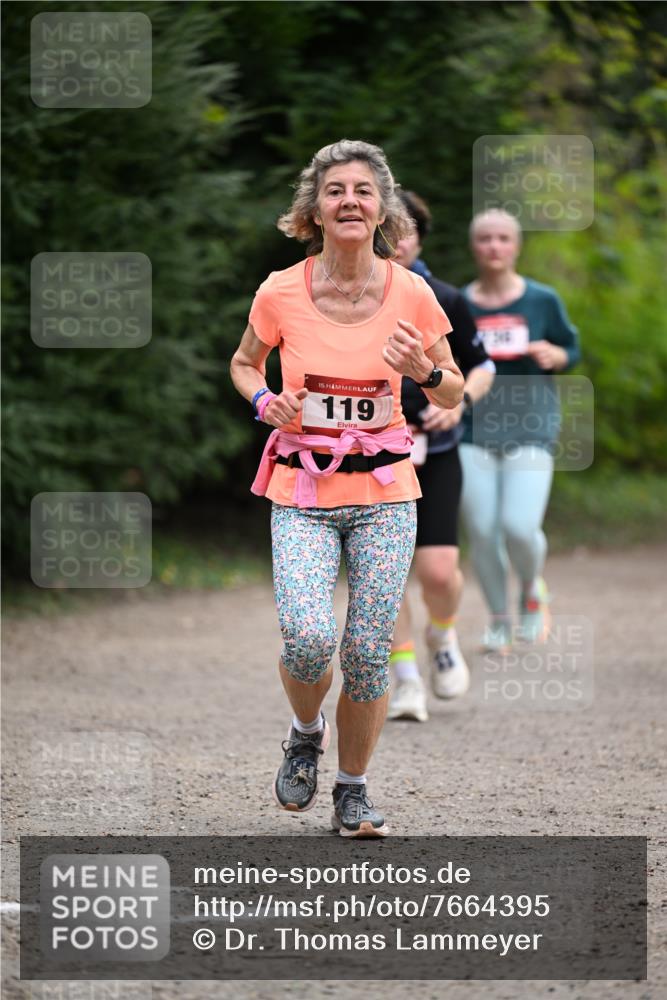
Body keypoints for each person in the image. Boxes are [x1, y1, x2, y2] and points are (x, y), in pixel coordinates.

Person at [230, 140, 464, 837]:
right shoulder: (279, 290)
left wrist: (424, 371)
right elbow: (245, 364)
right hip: (301, 489)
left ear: (382, 208)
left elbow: (451, 386)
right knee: (306, 638)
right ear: (314, 209)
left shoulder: (412, 292)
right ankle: (306, 734)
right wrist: (261, 400)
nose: (350, 201)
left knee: (365, 651)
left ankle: (353, 792)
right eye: (336, 190)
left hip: (387, 493)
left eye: (364, 190)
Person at [387, 191, 495, 723]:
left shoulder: (445, 296)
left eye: (406, 230)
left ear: (421, 238)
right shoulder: (357, 297)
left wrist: (459, 405)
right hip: (378, 455)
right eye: (389, 229)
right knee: (385, 573)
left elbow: (482, 364)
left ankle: (443, 632)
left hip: (438, 449)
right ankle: (406, 679)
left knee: (438, 570)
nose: (397, 240)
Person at [460, 208, 581, 651]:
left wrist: (556, 355)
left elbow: (572, 348)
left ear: (516, 246)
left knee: (518, 526)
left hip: (531, 425)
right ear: (474, 246)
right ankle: (497, 619)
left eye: (503, 239)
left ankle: (532, 592)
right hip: (472, 429)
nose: (494, 247)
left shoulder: (542, 300)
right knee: (482, 530)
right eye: (485, 239)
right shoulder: (460, 304)